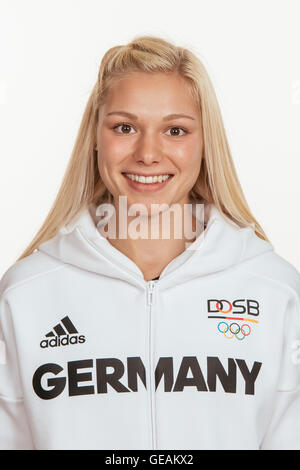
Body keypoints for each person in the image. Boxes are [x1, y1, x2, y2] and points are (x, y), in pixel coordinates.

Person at [0, 35, 300, 451]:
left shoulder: (274, 290)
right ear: (95, 136)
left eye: (175, 130)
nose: (148, 153)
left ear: (204, 142)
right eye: (125, 127)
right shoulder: (25, 295)